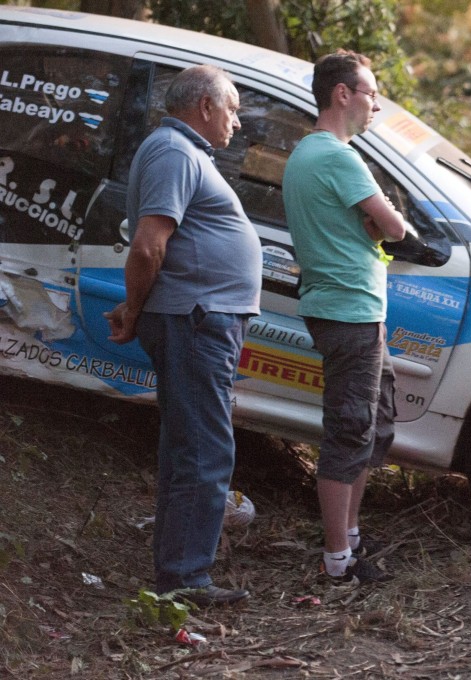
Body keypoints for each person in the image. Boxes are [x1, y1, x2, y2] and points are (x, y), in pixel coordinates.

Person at [105, 65, 260, 606]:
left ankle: (178, 573)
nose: (237, 122)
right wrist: (134, 306)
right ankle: (186, 580)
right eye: (233, 108)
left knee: (189, 448)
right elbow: (148, 246)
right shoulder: (175, 151)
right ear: (206, 106)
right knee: (203, 452)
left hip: (197, 318)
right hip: (195, 319)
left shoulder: (181, 151)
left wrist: (136, 306)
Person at [282, 50, 408, 583]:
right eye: (371, 93)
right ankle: (338, 560)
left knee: (372, 424)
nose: (375, 104)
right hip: (347, 310)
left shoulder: (307, 154)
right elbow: (395, 228)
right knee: (350, 428)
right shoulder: (336, 157)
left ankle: (351, 538)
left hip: (353, 308)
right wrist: (385, 220)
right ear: (342, 94)